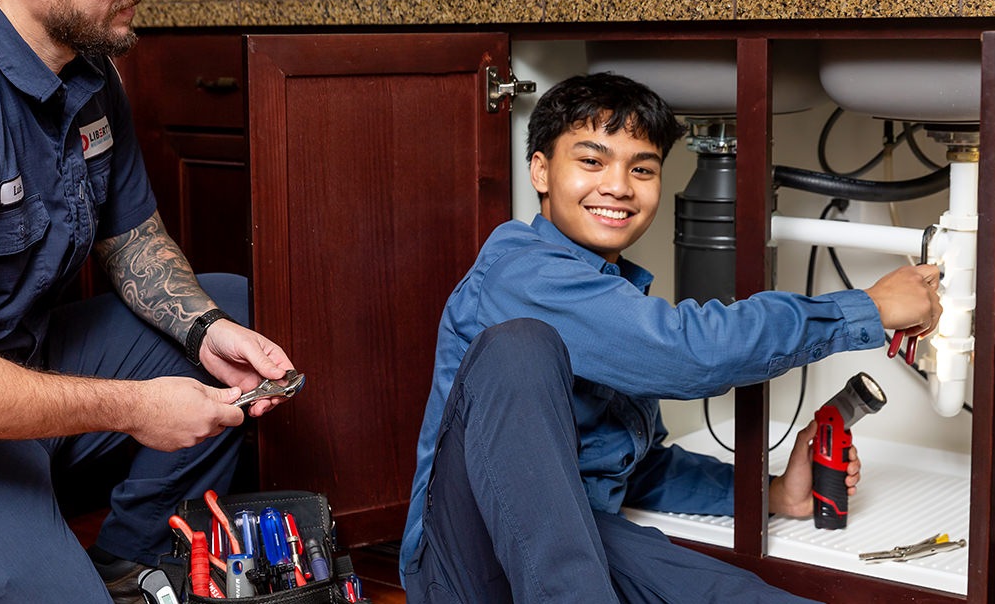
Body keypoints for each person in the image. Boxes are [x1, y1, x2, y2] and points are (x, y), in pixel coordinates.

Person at [400, 72, 943, 602]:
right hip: (466, 562)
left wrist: (774, 493)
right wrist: (867, 308)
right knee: (517, 348)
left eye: (642, 168)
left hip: (575, 544)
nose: (617, 185)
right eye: (591, 160)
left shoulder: (615, 297)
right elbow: (687, 352)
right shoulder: (517, 273)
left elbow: (641, 470)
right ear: (541, 171)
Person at [0, 0, 297, 602]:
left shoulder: (86, 70)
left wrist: (207, 330)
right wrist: (130, 407)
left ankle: (130, 557)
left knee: (234, 308)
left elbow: (132, 236)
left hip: (26, 360)